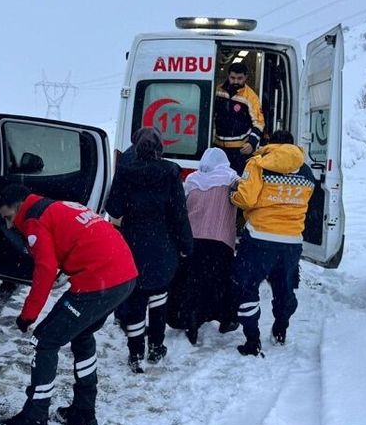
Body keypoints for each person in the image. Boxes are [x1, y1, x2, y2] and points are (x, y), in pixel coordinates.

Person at [0, 185, 137, 425]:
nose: (10, 226)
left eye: (9, 218)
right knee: (82, 334)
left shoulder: (35, 221)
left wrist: (28, 315)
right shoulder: (58, 207)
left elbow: (45, 269)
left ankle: (33, 422)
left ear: (20, 206)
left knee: (45, 341)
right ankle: (83, 412)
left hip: (99, 281)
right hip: (124, 275)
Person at [106, 127, 193, 373]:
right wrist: (186, 245)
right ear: (160, 148)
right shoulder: (170, 172)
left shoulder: (125, 172)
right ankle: (156, 346)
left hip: (133, 246)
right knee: (159, 298)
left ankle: (135, 354)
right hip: (163, 247)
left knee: (136, 300)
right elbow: (179, 215)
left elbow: (114, 209)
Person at [223, 130, 315, 357]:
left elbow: (247, 199)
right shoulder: (306, 171)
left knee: (246, 287)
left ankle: (252, 340)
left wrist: (232, 196)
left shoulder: (257, 164)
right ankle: (281, 327)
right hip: (291, 241)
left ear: (270, 144)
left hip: (259, 239)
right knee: (284, 288)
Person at [174, 147, 240, 345]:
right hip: (221, 240)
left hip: (194, 239)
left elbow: (182, 206)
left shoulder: (192, 180)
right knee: (221, 282)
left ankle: (192, 318)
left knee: (193, 282)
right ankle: (225, 319)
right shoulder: (232, 179)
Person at [213, 62, 265, 174]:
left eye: (239, 78)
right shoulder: (217, 90)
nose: (235, 81)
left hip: (239, 150)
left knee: (238, 182)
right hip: (218, 146)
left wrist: (252, 143)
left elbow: (259, 123)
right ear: (228, 76)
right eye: (232, 78)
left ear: (246, 77)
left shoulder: (251, 97)